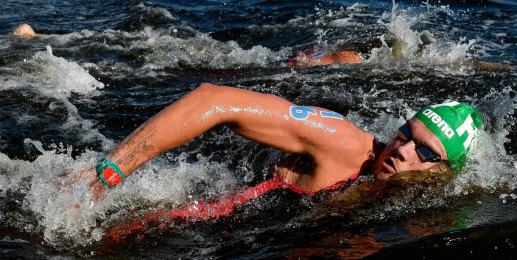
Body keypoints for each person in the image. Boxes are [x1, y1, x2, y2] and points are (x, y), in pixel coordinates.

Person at [87, 83, 484, 205]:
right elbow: (211, 99)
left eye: (426, 152)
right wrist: (106, 175)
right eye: (405, 134)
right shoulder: (344, 143)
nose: (402, 150)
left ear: (445, 173)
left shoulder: (429, 206)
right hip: (202, 204)